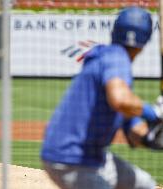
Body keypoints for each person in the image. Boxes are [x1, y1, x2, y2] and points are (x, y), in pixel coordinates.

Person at [41, 7, 163, 189]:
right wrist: (153, 112)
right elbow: (120, 100)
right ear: (145, 41)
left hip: (90, 157)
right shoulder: (118, 59)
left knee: (144, 184)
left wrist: (150, 137)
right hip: (71, 159)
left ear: (114, 31)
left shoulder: (108, 59)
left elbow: (134, 130)